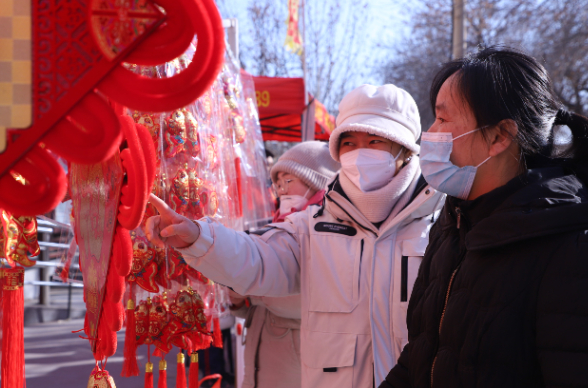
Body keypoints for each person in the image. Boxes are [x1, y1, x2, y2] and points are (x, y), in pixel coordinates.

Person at [146, 84, 445, 388]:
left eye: (374, 141)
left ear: (404, 148)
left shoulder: (444, 221)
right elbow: (259, 259)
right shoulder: (312, 226)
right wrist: (198, 236)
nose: (359, 153)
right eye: (349, 143)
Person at [381, 46, 588, 388]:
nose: (429, 132)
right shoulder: (453, 224)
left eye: (443, 118)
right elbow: (422, 356)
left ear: (499, 136)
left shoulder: (581, 248)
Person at [229, 141, 340, 388]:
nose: (280, 189)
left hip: (297, 364)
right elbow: (262, 304)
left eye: (288, 181)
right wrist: (239, 302)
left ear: (315, 182)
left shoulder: (329, 230)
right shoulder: (278, 225)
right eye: (277, 182)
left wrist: (250, 288)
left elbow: (304, 298)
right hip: (264, 361)